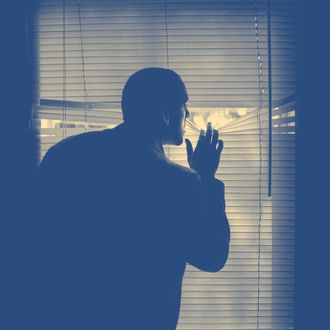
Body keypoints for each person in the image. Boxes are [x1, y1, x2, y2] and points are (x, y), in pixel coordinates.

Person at [31, 67, 230, 329]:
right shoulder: (178, 182)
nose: (189, 114)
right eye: (184, 105)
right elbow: (211, 256)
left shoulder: (65, 154)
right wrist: (205, 178)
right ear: (165, 115)